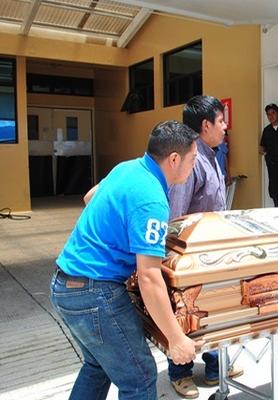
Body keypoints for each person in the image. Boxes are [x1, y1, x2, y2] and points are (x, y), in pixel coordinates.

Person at [50, 120, 199, 400]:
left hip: (64, 285)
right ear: (174, 158)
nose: (194, 167)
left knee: (99, 365)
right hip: (94, 294)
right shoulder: (152, 199)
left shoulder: (127, 168)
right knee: (139, 376)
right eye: (193, 160)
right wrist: (176, 338)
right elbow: (149, 276)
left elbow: (89, 197)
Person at [167, 95, 243, 399]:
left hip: (213, 250)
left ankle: (214, 365)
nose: (225, 126)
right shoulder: (190, 160)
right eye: (221, 121)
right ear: (205, 124)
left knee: (213, 310)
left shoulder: (212, 154)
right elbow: (176, 215)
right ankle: (180, 371)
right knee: (187, 311)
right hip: (192, 254)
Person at [259, 103, 278, 207]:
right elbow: (262, 146)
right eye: (268, 114)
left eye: (273, 113)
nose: (271, 116)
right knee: (274, 188)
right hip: (272, 164)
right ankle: (277, 208)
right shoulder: (267, 130)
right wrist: (262, 151)